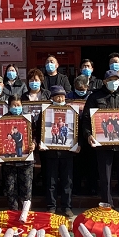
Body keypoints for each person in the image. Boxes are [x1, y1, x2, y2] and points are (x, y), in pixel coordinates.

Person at [81, 70, 119, 220]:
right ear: (105, 81)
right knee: (105, 177)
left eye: (116, 79)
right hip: (103, 144)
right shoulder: (95, 97)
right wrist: (88, 135)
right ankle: (107, 206)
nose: (114, 82)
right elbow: (86, 119)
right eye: (110, 79)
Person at [37, 86, 76, 218]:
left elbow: (77, 129)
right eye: (57, 96)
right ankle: (51, 206)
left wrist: (78, 144)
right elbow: (39, 130)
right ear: (52, 98)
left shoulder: (72, 112)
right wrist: (41, 142)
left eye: (62, 96)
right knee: (51, 181)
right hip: (50, 153)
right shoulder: (45, 112)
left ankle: (66, 207)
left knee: (67, 181)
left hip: (67, 152)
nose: (60, 99)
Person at [0, 95, 35, 211]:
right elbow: (0, 137)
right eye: (13, 105)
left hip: (26, 162)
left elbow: (35, 135)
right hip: (9, 163)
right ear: (9, 106)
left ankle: (25, 213)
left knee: (26, 189)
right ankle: (13, 213)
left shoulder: (28, 119)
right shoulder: (2, 120)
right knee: (10, 189)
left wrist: (33, 143)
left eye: (18, 105)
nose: (16, 107)